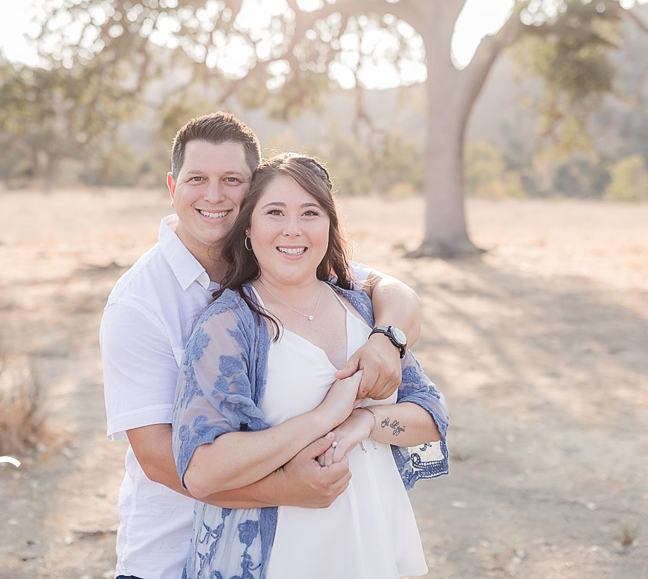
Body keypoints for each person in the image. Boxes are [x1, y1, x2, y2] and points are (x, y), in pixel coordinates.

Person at [100, 112, 423, 579]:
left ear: (253, 191)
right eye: (197, 179)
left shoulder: (281, 259)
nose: (214, 195)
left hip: (291, 547)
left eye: (231, 180)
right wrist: (287, 489)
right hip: (171, 552)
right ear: (173, 187)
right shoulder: (138, 303)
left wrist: (386, 340)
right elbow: (159, 458)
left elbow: (392, 290)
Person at [172, 153, 449, 579]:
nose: (293, 229)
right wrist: (324, 416)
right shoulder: (230, 324)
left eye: (310, 213)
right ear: (248, 227)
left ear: (329, 224)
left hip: (372, 547)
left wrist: (363, 422)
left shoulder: (363, 308)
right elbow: (203, 470)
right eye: (275, 212)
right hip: (278, 558)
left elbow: (430, 416)